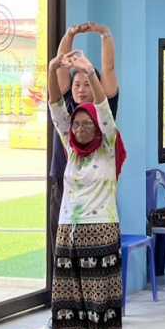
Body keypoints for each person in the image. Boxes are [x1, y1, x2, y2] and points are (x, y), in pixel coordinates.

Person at [46, 41, 126, 329]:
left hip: (101, 228)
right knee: (68, 297)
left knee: (100, 298)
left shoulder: (107, 144)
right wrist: (54, 68)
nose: (80, 128)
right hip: (69, 230)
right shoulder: (70, 146)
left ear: (98, 125)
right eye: (76, 124)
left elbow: (104, 108)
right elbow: (55, 106)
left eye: (86, 124)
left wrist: (90, 73)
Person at [48, 22, 119, 229]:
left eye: (87, 84)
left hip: (96, 184)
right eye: (77, 85)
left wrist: (105, 33)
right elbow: (60, 67)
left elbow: (109, 68)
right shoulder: (66, 105)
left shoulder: (103, 107)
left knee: (95, 231)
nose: (81, 89)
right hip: (64, 176)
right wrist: (70, 34)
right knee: (60, 233)